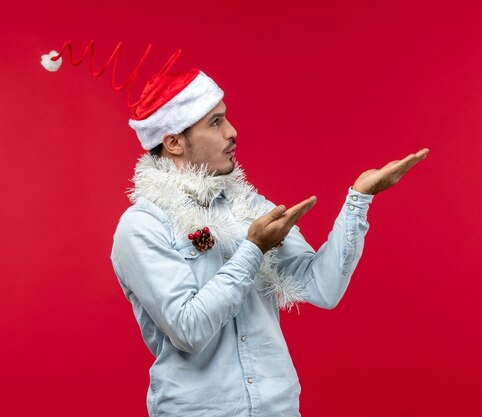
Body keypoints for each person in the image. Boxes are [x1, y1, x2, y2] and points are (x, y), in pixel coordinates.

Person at [110, 69, 429, 417]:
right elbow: (189, 330)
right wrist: (253, 250)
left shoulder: (249, 207)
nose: (232, 132)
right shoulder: (141, 227)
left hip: (278, 408)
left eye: (226, 118)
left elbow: (322, 288)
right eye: (215, 122)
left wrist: (359, 200)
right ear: (174, 142)